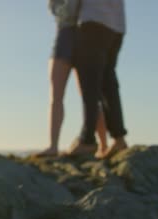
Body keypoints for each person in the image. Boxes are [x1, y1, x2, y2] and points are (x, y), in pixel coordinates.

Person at [35, 0, 109, 158]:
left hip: (85, 35)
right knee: (57, 95)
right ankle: (53, 146)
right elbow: (56, 9)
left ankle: (103, 146)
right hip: (65, 35)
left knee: (90, 96)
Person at [66, 0, 128, 158]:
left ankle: (87, 140)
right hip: (117, 26)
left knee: (90, 84)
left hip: (93, 22)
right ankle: (118, 137)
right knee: (108, 82)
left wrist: (69, 17)